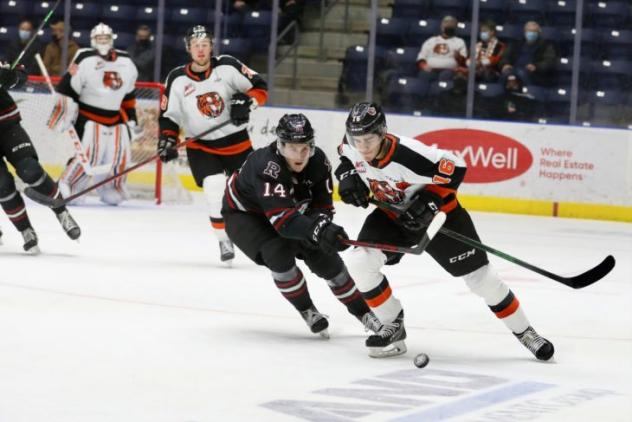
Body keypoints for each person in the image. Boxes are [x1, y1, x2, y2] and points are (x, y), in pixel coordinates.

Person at [334, 102, 554, 361]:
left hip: (441, 218)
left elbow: (457, 168)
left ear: (382, 133)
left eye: (369, 140)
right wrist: (346, 174)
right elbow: (345, 155)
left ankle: (526, 332)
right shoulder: (353, 145)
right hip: (392, 215)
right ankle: (392, 326)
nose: (363, 147)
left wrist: (431, 200)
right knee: (360, 261)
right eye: (357, 140)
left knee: (482, 279)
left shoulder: (410, 155)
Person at [221, 113, 381, 337]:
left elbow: (322, 208)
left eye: (304, 147)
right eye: (293, 148)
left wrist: (324, 229)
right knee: (278, 254)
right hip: (246, 216)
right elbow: (282, 222)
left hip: (289, 213)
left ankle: (366, 314)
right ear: (280, 145)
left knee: (328, 261)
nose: (300, 155)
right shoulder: (267, 166)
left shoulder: (319, 162)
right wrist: (318, 230)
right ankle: (307, 310)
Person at [158, 25, 268, 264]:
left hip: (237, 143)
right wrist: (167, 138)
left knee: (253, 194)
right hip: (202, 147)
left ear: (211, 47)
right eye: (195, 45)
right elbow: (169, 116)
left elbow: (260, 87)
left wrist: (246, 103)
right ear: (188, 48)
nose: (200, 49)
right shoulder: (176, 78)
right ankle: (224, 239)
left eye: (204, 44)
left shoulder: (227, 66)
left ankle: (265, 235)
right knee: (214, 189)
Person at [48, 23, 139, 206]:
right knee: (89, 155)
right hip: (88, 117)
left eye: (106, 38)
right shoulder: (84, 57)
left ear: (112, 40)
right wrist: (64, 112)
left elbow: (129, 94)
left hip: (115, 118)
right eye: (99, 39)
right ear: (92, 40)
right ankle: (70, 186)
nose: (103, 42)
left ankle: (112, 188)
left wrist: (132, 117)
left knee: (119, 156)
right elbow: (67, 87)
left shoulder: (126, 61)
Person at [0, 63, 81, 253]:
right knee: (1, 186)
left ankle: (61, 212)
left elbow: (21, 74)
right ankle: (26, 231)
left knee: (30, 169)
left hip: (7, 127)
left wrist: (11, 76)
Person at [499, 21, 556, 87]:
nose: (531, 33)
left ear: (538, 33)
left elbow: (549, 61)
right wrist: (505, 64)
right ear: (525, 32)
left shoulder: (546, 45)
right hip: (514, 69)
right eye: (529, 31)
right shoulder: (516, 43)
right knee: (507, 73)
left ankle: (527, 94)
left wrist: (536, 66)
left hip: (534, 73)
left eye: (534, 31)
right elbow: (506, 56)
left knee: (521, 73)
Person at [416, 15, 468, 84]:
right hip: (430, 70)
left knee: (445, 75)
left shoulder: (459, 42)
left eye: (452, 23)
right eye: (446, 22)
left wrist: (458, 57)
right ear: (441, 26)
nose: (449, 25)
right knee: (424, 75)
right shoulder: (431, 41)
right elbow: (421, 57)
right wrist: (424, 66)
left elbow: (464, 63)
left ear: (455, 26)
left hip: (449, 71)